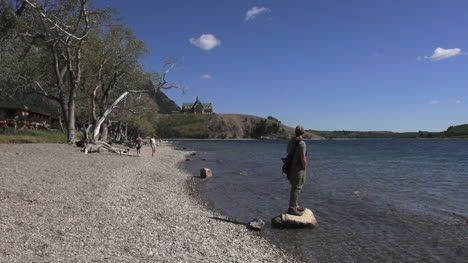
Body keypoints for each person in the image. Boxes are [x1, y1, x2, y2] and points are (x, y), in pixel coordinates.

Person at [285, 125, 308, 216]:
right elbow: (303, 157)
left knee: (294, 187)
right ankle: (292, 208)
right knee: (297, 188)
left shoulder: (290, 141)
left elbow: (288, 152)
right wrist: (305, 166)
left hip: (291, 167)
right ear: (303, 133)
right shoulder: (302, 143)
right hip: (298, 168)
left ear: (295, 132)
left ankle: (295, 205)